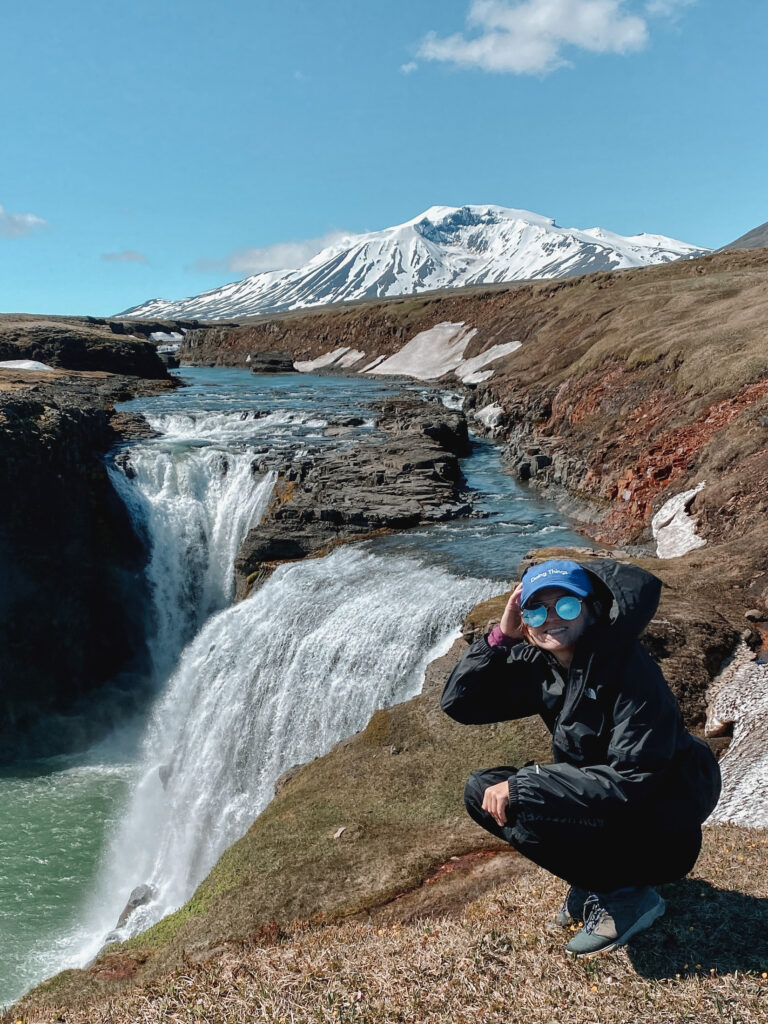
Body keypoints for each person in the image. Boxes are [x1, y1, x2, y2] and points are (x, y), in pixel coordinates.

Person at [441, 558, 721, 957]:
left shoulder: (629, 670)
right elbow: (460, 704)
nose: (551, 619)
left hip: (662, 829)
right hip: (614, 813)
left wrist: (528, 783)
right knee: (480, 792)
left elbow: (635, 778)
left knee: (522, 795)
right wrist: (500, 639)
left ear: (592, 609)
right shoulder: (547, 665)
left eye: (566, 606)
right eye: (536, 610)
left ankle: (627, 896)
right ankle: (598, 881)